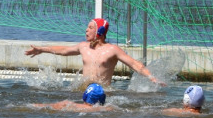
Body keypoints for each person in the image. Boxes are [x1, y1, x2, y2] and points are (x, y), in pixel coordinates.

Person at [25, 18, 165, 87]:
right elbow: (63, 50)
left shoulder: (112, 50)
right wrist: (42, 50)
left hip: (103, 91)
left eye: (90, 27)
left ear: (100, 31)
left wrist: (151, 77)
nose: (86, 30)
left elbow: (134, 64)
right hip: (83, 90)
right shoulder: (83, 47)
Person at [34, 83, 111, 111]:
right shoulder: (107, 108)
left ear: (85, 95)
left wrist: (34, 105)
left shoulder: (68, 104)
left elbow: (45, 107)